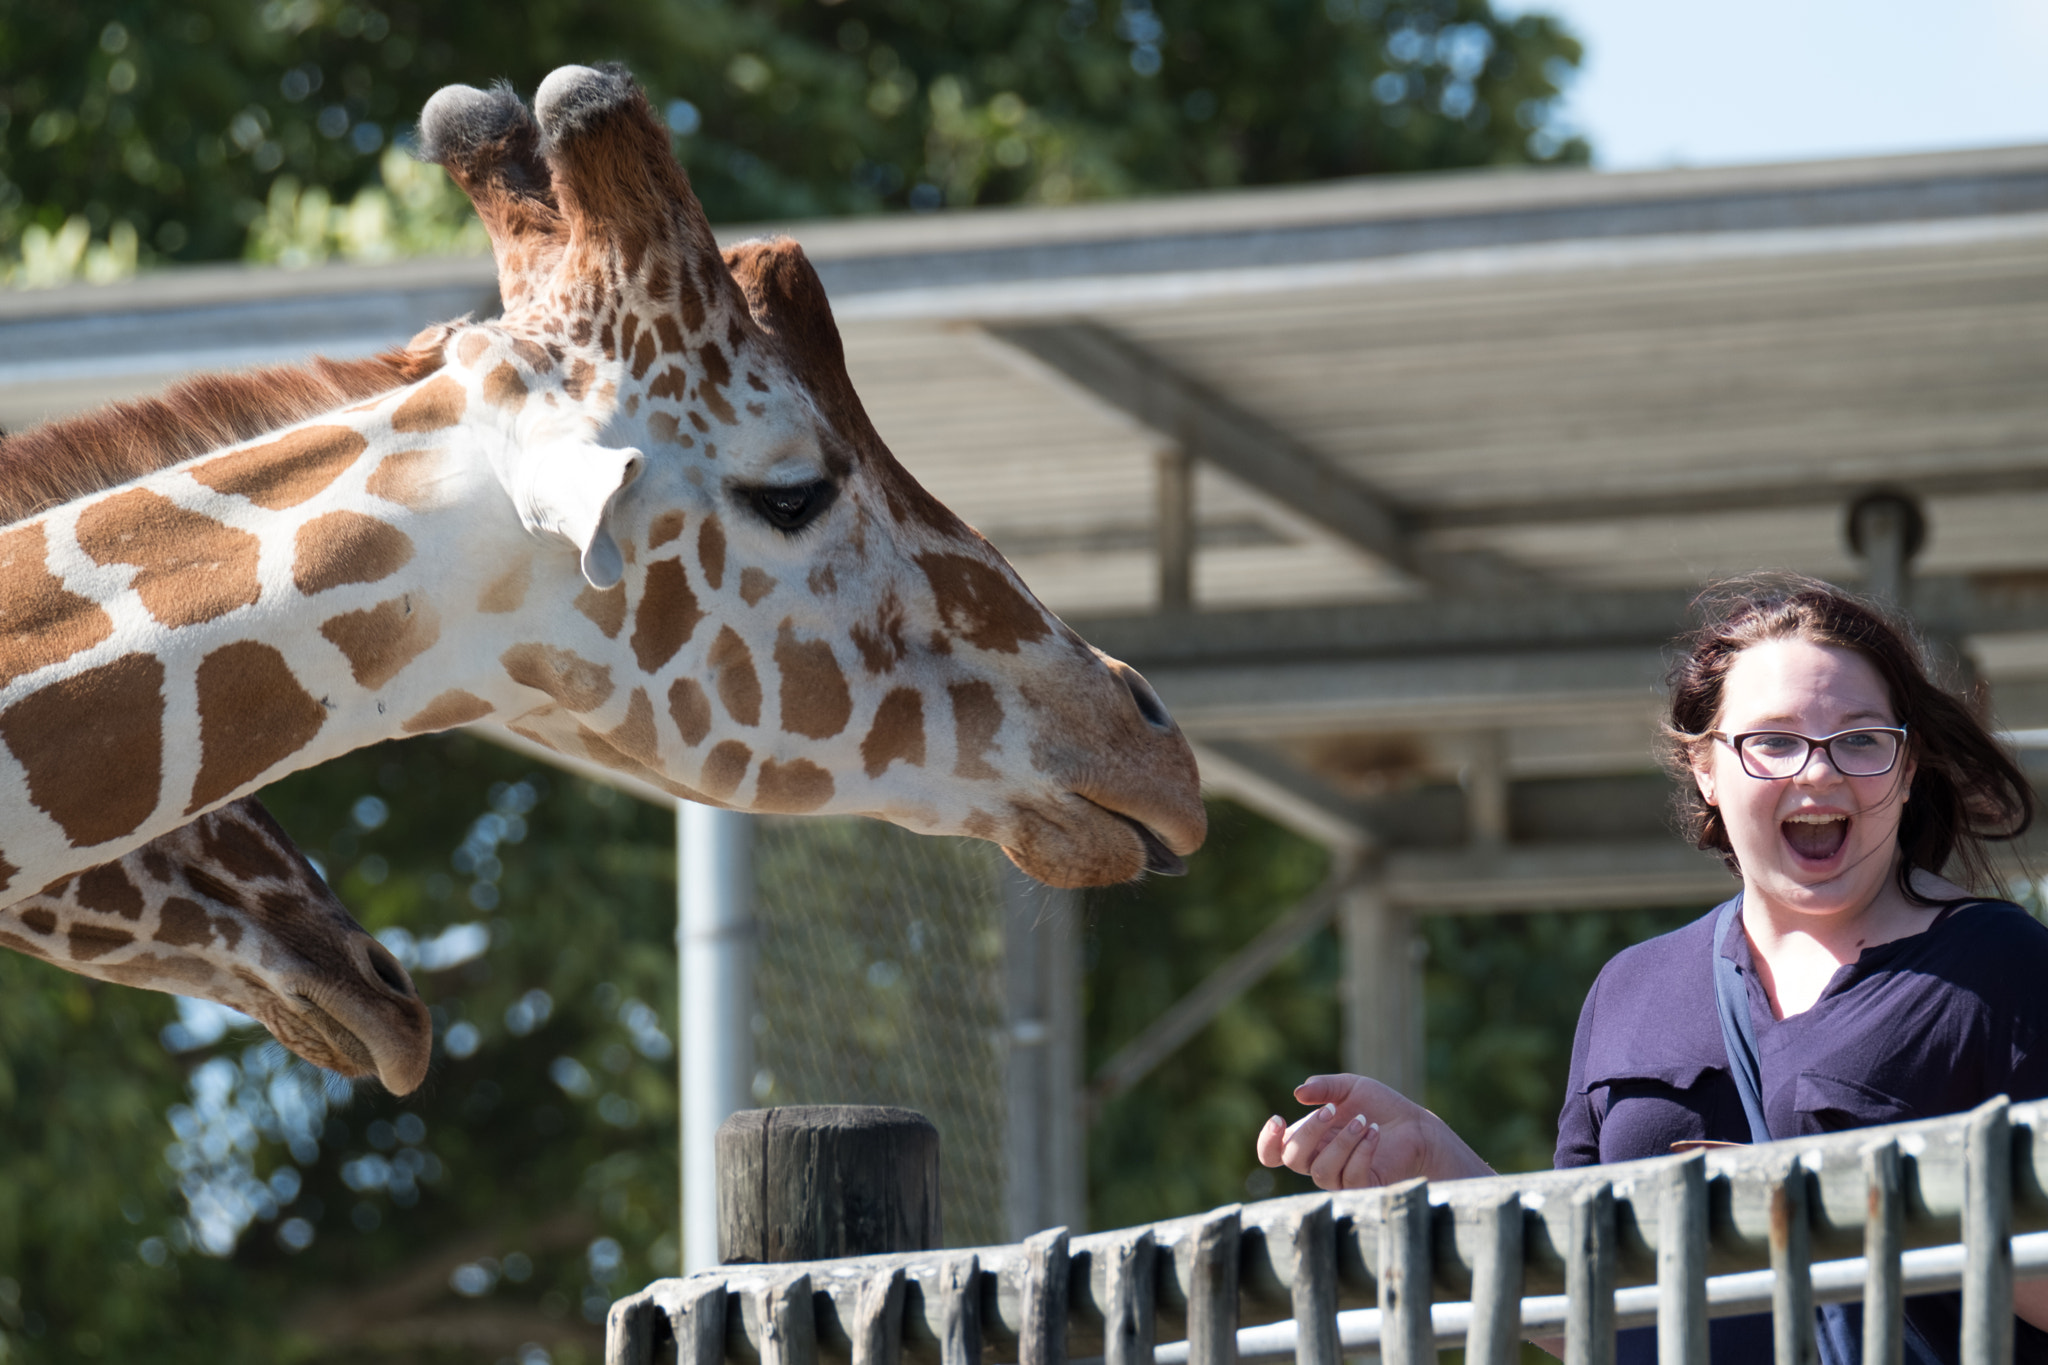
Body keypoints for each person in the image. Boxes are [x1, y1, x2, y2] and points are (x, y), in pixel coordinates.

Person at [1253, 575, 2048, 1363]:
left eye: (1861, 740)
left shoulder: (2002, 966)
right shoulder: (1631, 990)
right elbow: (1589, 1314)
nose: (1818, 772)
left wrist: (1835, 1207)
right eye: (1773, 740)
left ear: (1908, 770)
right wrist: (1435, 1163)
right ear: (1706, 766)